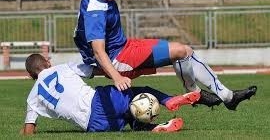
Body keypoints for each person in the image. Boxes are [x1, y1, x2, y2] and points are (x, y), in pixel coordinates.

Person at [73, 0, 257, 111]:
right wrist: (117, 77)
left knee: (186, 51)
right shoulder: (95, 12)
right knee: (180, 51)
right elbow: (98, 52)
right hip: (118, 59)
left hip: (125, 46)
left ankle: (226, 96)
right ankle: (195, 94)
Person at [21, 54, 201, 135]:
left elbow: (29, 130)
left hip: (94, 126)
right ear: (47, 63)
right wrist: (125, 73)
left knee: (130, 115)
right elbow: (100, 70)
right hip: (100, 102)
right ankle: (169, 100)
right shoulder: (63, 67)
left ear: (31, 76)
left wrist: (23, 132)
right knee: (138, 92)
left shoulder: (32, 97)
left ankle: (152, 128)